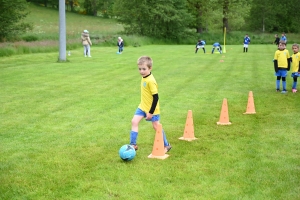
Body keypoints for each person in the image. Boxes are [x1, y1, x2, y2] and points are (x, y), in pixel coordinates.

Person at [129, 56, 172, 153]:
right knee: (134, 122)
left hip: (152, 109)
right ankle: (133, 144)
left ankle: (166, 145)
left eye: (144, 69)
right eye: (140, 69)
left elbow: (156, 97)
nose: (141, 71)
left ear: (150, 68)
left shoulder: (151, 81)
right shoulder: (144, 77)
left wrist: (151, 112)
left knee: (156, 126)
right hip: (142, 106)